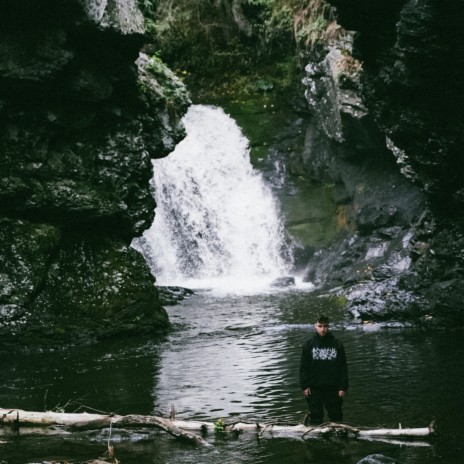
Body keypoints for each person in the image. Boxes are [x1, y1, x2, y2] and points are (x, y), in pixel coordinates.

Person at [299, 315, 348, 424]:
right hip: (314, 388)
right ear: (315, 326)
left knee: (336, 417)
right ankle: (318, 440)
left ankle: (339, 439)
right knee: (316, 417)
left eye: (325, 326)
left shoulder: (337, 344)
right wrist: (305, 386)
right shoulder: (308, 345)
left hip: (333, 388)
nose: (322, 329)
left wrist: (343, 387)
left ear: (328, 327)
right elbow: (304, 367)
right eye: (320, 326)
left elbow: (343, 367)